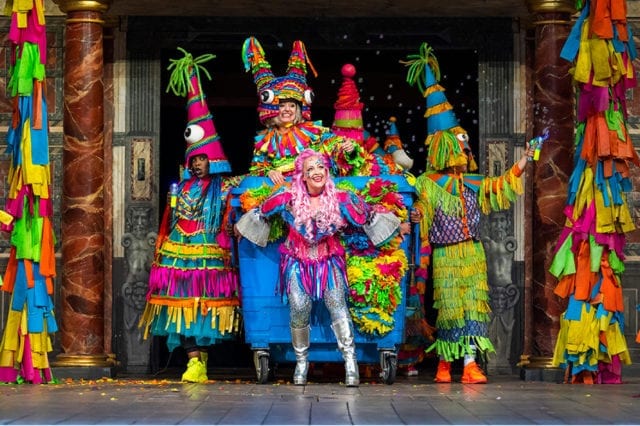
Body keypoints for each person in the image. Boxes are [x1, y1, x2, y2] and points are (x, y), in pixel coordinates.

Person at [404, 42, 535, 384]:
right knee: (449, 310)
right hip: (447, 257)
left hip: (473, 252)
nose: (465, 148)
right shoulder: (428, 183)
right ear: (445, 146)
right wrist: (417, 214)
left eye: (465, 142)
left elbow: (501, 184)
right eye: (459, 142)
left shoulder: (474, 181)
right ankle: (445, 365)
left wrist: (526, 160)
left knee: (474, 307)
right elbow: (421, 208)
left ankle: (469, 364)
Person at [234, 149, 403, 387]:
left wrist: (401, 226)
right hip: (296, 261)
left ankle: (350, 362)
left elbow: (368, 216)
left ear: (327, 171)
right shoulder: (287, 197)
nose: (316, 172)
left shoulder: (342, 198)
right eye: (310, 169)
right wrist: (243, 228)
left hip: (328, 259)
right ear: (302, 176)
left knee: (337, 303)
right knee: (299, 306)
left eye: (320, 167)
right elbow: (262, 211)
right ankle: (301, 362)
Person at [138, 48, 241, 383]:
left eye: (202, 159)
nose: (198, 164)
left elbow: (234, 216)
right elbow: (168, 220)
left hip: (208, 255)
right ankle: (192, 360)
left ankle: (201, 361)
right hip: (178, 255)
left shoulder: (224, 189)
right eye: (193, 160)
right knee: (177, 310)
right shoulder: (178, 188)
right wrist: (163, 245)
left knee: (203, 310)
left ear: (212, 160)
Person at [242, 36, 372, 185]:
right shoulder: (265, 140)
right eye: (282, 105)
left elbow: (334, 146)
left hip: (311, 190)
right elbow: (257, 167)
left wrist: (347, 148)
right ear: (273, 109)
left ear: (298, 109)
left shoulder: (313, 133)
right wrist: (269, 171)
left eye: (292, 106)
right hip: (280, 190)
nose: (287, 110)